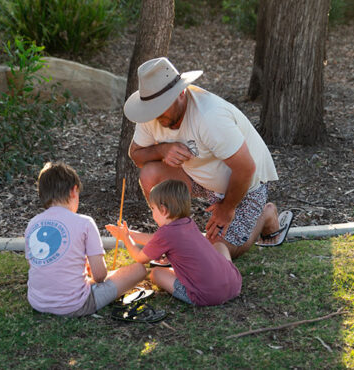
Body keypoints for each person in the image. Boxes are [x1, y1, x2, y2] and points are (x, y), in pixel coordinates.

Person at [123, 57, 293, 259]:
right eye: (152, 108)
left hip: (244, 185)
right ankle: (175, 236)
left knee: (216, 252)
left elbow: (246, 168)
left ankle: (265, 215)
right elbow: (136, 154)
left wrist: (227, 208)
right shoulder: (151, 114)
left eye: (162, 106)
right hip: (197, 176)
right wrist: (162, 150)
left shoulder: (210, 116)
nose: (156, 116)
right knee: (150, 173)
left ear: (181, 93)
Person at [24, 162, 147, 317]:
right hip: (76, 304)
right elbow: (100, 276)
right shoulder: (84, 222)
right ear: (74, 191)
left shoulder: (32, 224)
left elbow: (37, 263)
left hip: (37, 302)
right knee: (139, 269)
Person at [106, 179, 241, 306]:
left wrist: (126, 239)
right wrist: (129, 233)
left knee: (156, 273)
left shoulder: (166, 233)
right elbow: (155, 240)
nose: (152, 213)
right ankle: (223, 276)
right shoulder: (187, 222)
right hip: (234, 284)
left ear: (163, 210)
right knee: (220, 246)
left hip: (206, 296)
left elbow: (140, 257)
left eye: (153, 209)